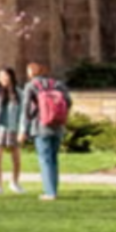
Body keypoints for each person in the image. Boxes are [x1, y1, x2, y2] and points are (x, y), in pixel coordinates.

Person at [23, 62, 72, 201]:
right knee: (53, 159)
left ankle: (50, 192)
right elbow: (68, 101)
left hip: (41, 126)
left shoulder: (31, 86)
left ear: (31, 73)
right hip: (57, 126)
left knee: (45, 159)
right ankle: (53, 189)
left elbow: (26, 107)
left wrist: (28, 122)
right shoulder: (57, 84)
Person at [0, 67, 27, 195]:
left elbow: (23, 113)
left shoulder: (19, 93)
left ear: (11, 77)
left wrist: (22, 130)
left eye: (5, 76)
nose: (2, 78)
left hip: (13, 128)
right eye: (0, 76)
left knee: (16, 158)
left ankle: (14, 183)